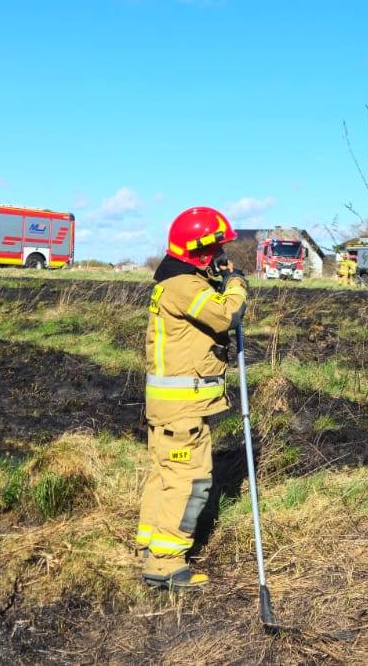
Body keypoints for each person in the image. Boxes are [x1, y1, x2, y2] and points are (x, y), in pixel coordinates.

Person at [134, 206, 248, 590]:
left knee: (164, 478)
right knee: (190, 482)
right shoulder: (186, 286)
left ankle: (150, 547)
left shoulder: (173, 281)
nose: (218, 255)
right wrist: (237, 285)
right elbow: (225, 316)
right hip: (182, 411)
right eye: (214, 248)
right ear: (198, 250)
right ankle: (166, 564)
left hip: (168, 410)